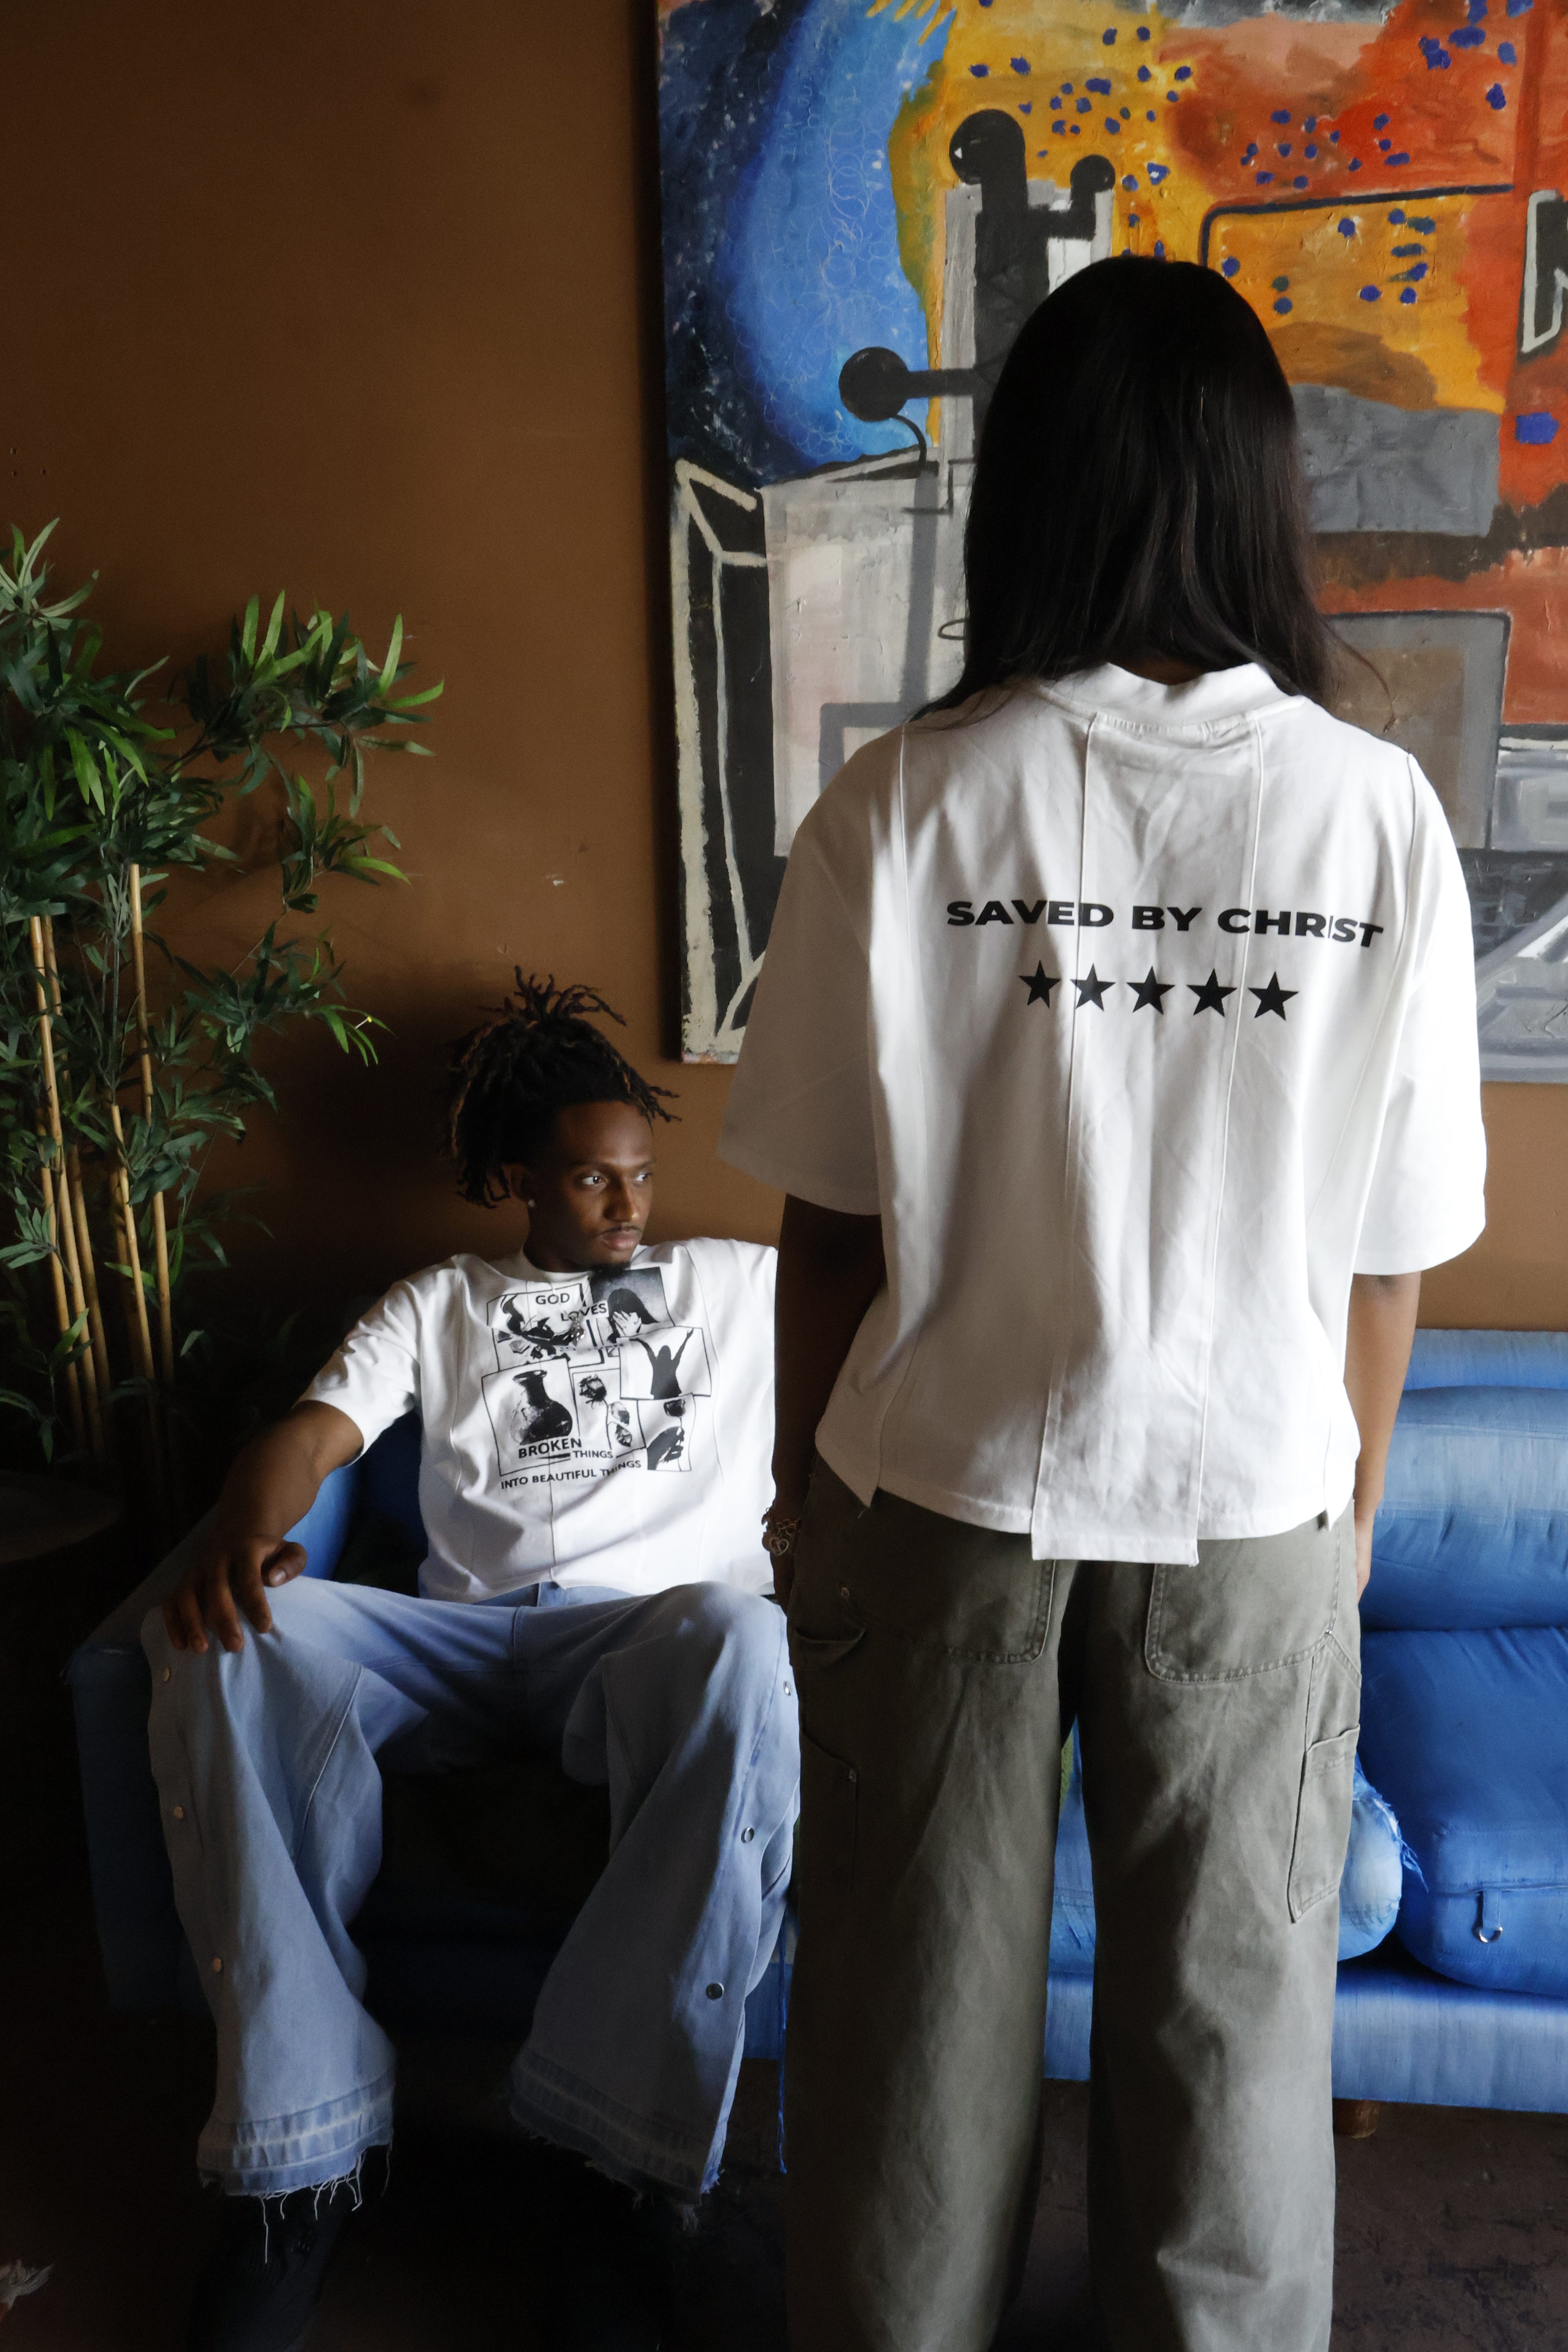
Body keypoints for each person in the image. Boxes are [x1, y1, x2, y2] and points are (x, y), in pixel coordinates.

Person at [721, 256, 1486, 2352]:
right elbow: (1389, 1253)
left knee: (902, 2064)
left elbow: (832, 1232)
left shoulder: (906, 802)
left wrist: (801, 1511)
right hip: (1254, 1513)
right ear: (1261, 491)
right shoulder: (1377, 817)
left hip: (939, 1498)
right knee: (1237, 2073)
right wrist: (1342, 1524)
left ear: (1031, 489)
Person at [147, 976, 797, 2352]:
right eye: (593, 1180)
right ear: (518, 1182)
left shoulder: (737, 1287)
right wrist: (244, 1534)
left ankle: (614, 2164)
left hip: (641, 1638)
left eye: (640, 1176)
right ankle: (301, 2161)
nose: (628, 1207)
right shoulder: (440, 1302)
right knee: (216, 1643)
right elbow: (312, 1437)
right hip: (456, 1638)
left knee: (746, 1641)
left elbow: (910, 1320)